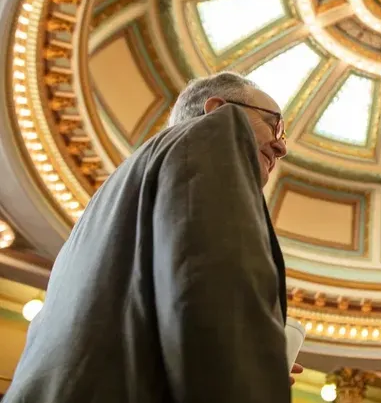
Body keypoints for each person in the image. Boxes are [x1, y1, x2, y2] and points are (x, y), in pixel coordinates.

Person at [5, 72, 299, 403]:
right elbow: (213, 287)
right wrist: (247, 375)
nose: (281, 147)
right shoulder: (214, 134)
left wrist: (259, 363)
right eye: (274, 125)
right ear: (218, 109)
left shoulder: (103, 209)